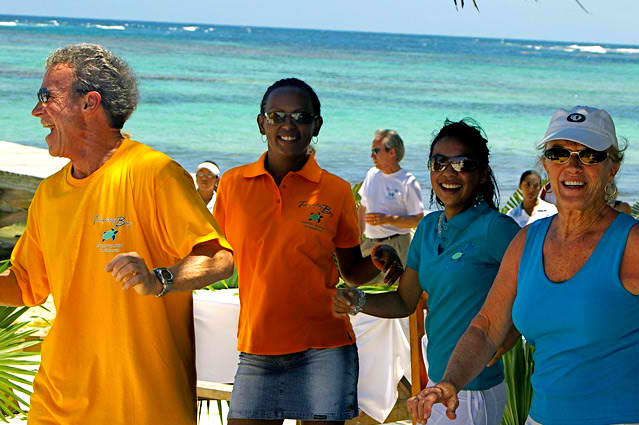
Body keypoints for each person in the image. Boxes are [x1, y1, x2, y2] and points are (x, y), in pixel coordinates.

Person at [0, 43, 234, 424]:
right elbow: (27, 286)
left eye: (47, 97)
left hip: (141, 406)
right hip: (57, 404)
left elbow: (219, 258)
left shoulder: (153, 173)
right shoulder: (49, 193)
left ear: (90, 103)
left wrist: (161, 279)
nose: (37, 111)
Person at [407, 106, 639, 425]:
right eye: (559, 153)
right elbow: (486, 327)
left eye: (589, 155)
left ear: (611, 167)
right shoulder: (529, 241)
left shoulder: (631, 244)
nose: (572, 166)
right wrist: (451, 382)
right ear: (545, 164)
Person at [213, 77, 403, 425]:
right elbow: (215, 257)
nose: (288, 125)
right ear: (261, 123)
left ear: (316, 125)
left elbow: (350, 271)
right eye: (276, 116)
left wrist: (378, 258)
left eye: (301, 116)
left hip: (324, 349)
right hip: (257, 347)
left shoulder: (335, 190)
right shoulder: (232, 185)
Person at [334, 119, 520, 425]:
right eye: (439, 162)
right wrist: (357, 300)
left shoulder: (496, 229)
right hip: (437, 383)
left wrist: (511, 332)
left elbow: (537, 288)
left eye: (462, 164)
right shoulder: (428, 229)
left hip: (473, 391)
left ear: (483, 173)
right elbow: (404, 302)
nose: (448, 172)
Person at [358, 129, 424, 283]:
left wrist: (388, 219)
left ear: (392, 152)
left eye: (375, 151)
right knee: (361, 291)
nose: (371, 156)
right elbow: (362, 209)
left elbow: (418, 220)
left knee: (395, 295)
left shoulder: (408, 181)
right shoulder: (371, 174)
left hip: (398, 246)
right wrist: (357, 238)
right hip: (369, 245)